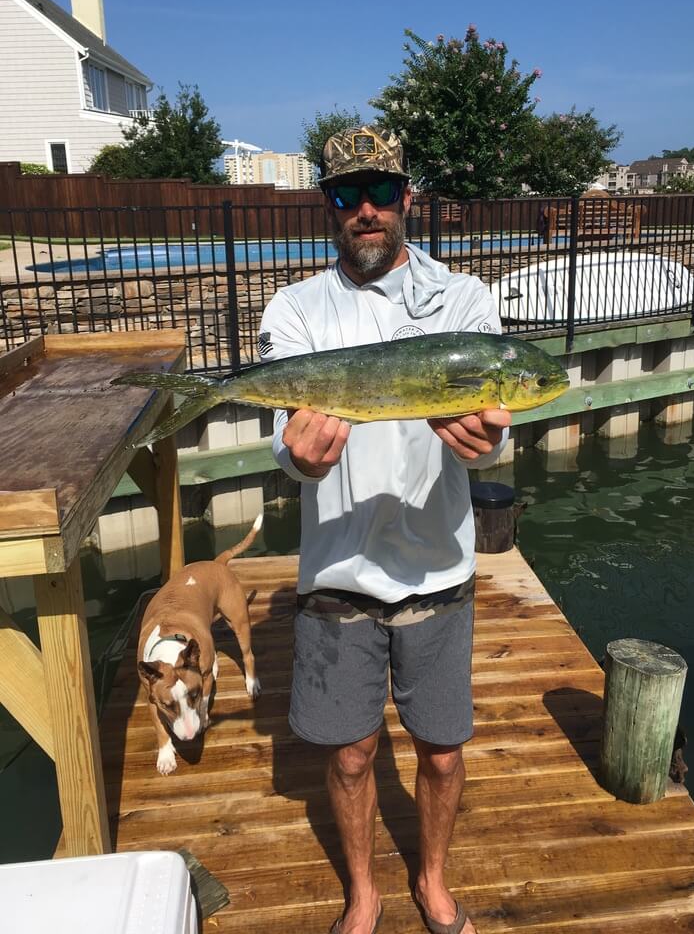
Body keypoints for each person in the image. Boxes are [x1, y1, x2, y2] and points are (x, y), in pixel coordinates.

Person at [258, 126, 511, 934]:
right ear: (327, 206)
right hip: (339, 573)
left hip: (439, 566)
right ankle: (364, 891)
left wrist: (494, 435)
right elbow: (286, 442)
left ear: (408, 199)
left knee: (440, 750)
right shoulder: (295, 308)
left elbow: (499, 412)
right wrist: (298, 458)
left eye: (380, 192)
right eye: (345, 195)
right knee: (350, 752)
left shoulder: (464, 300)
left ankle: (432, 880)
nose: (365, 210)